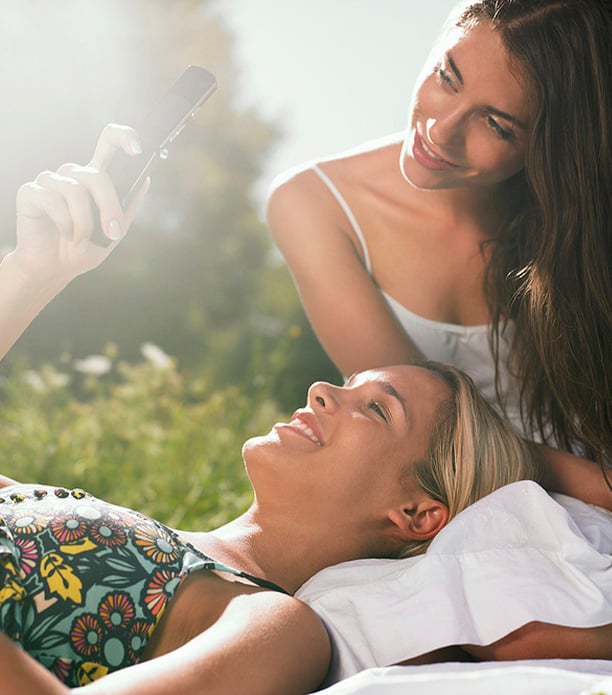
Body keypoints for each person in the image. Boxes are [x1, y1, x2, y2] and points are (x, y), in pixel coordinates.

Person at [267, 0, 612, 508]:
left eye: (496, 124)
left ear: (551, 144)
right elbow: (431, 439)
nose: (441, 129)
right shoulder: (313, 205)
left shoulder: (578, 221)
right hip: (445, 500)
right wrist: (596, 486)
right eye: (447, 76)